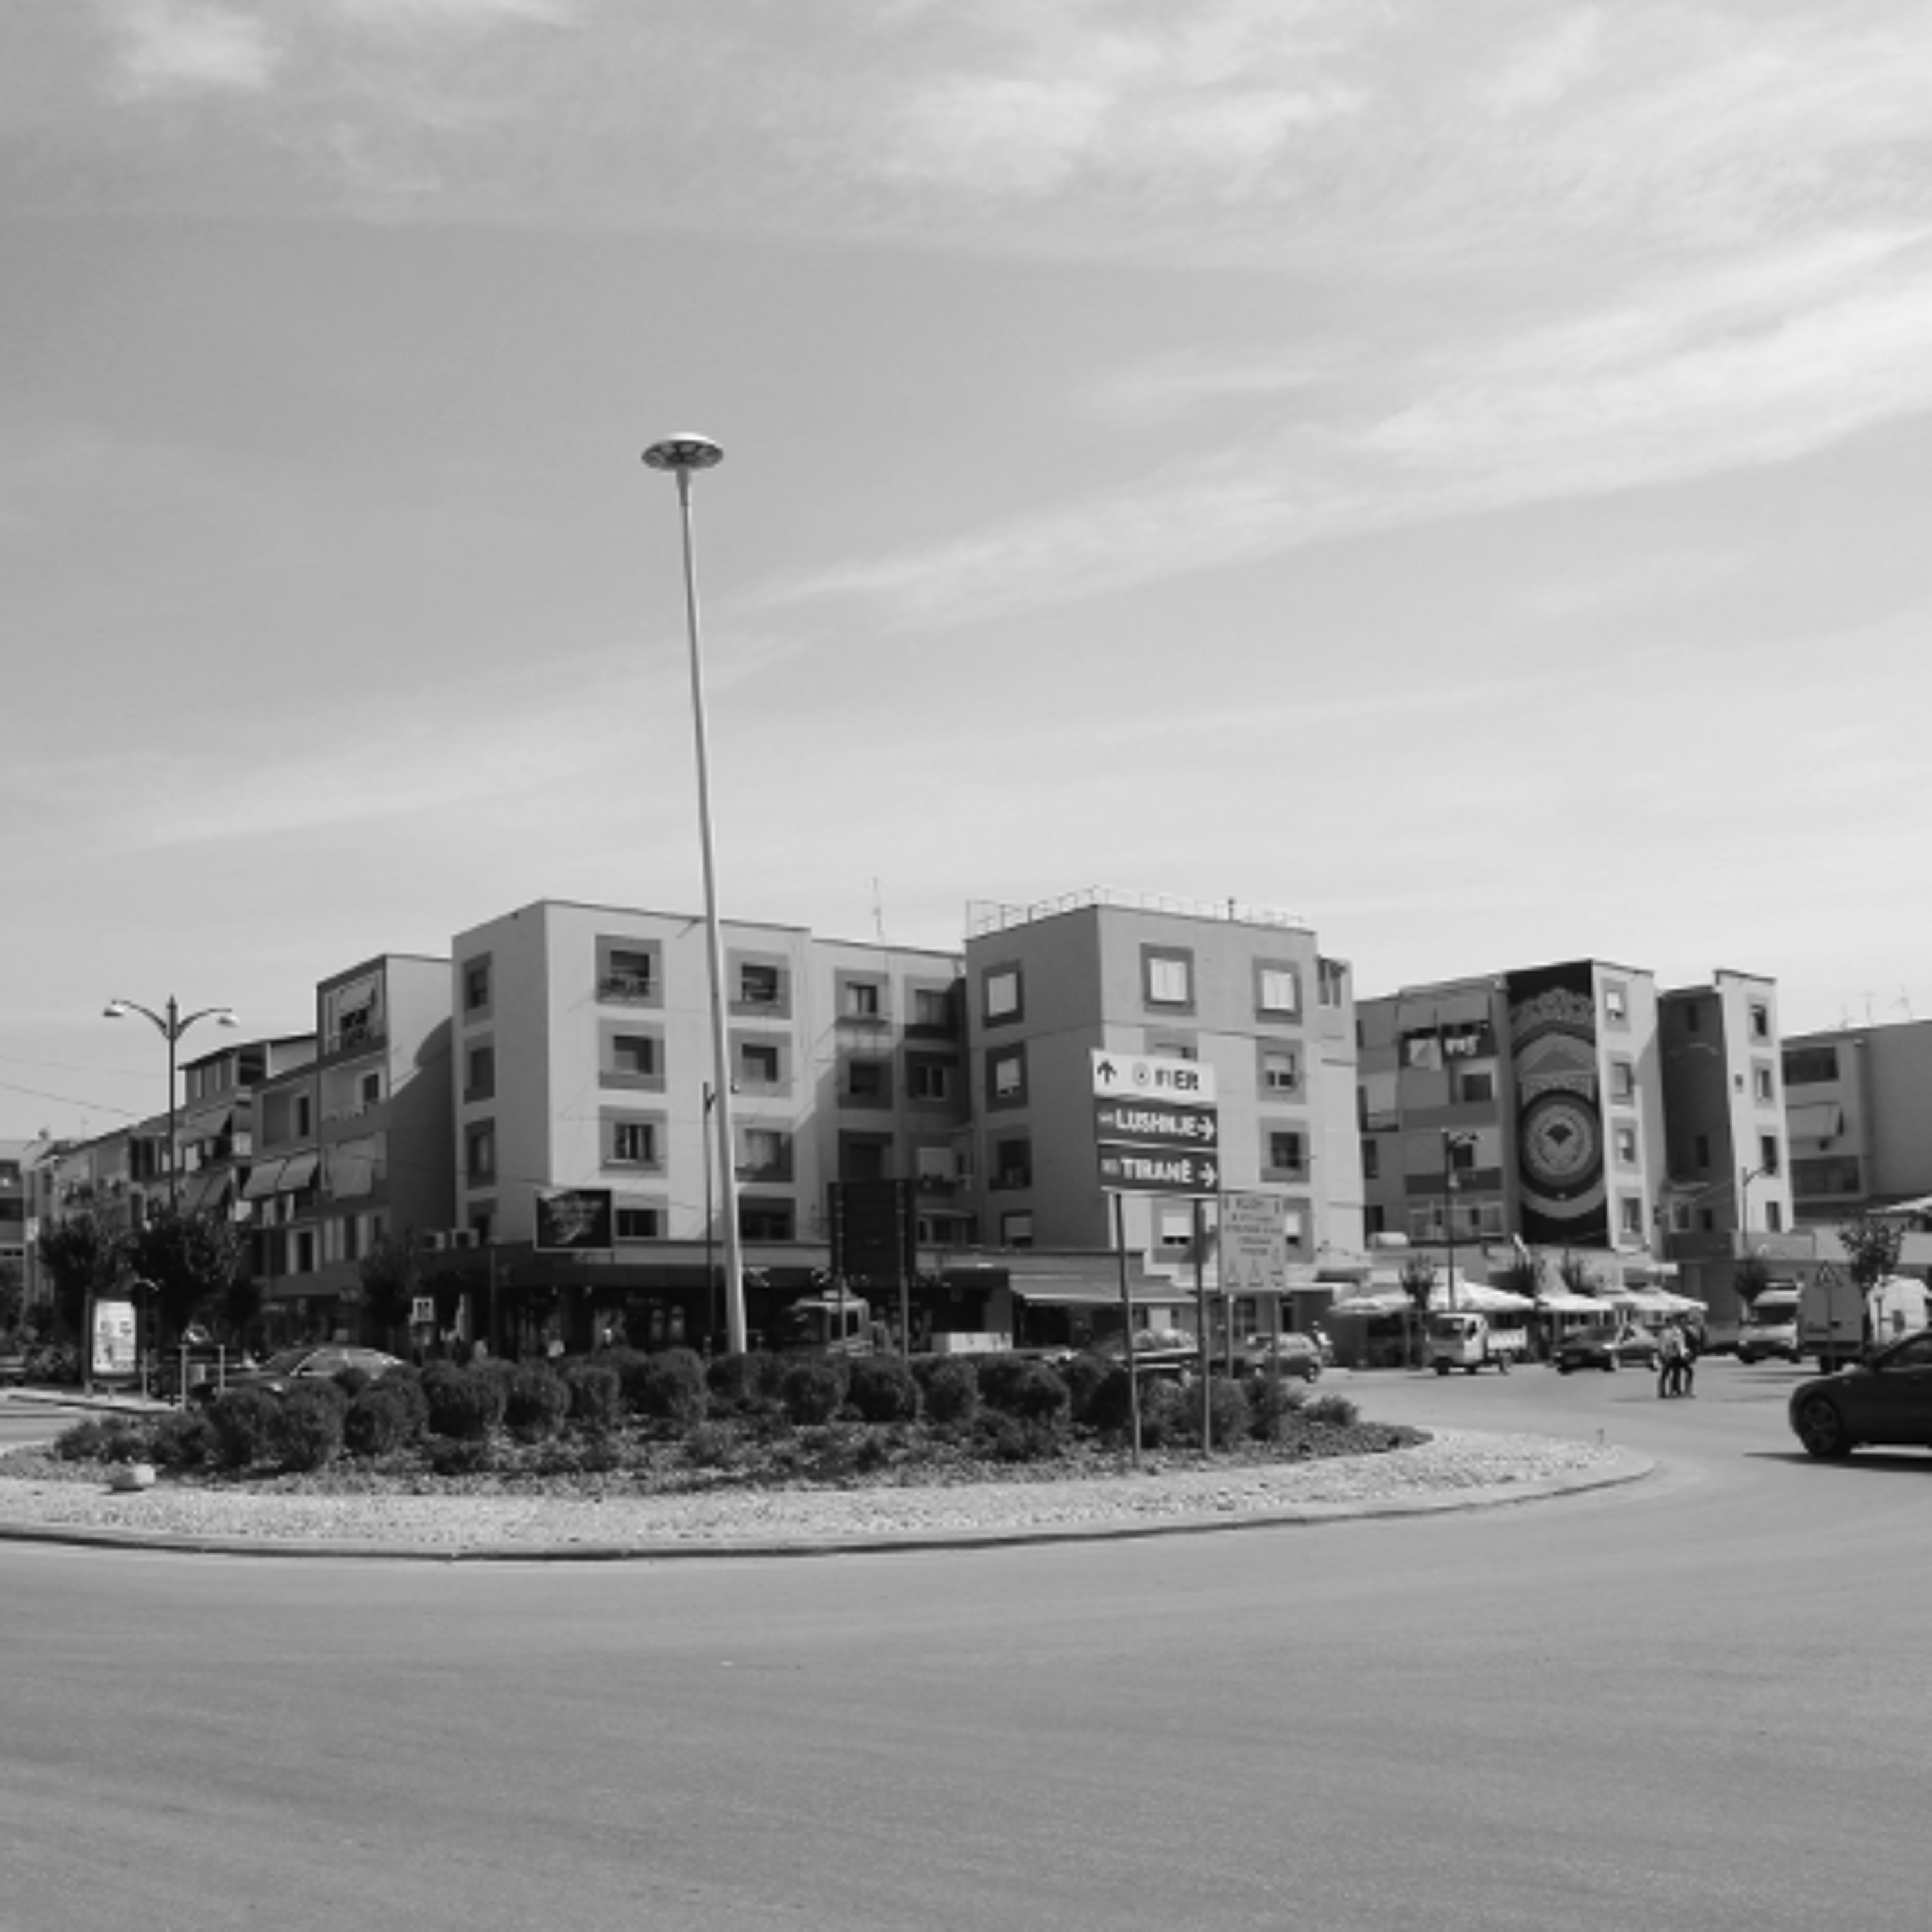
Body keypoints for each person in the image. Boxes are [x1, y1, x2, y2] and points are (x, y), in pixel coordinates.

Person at [1658, 1320, 1688, 1398]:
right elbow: (1664, 1344)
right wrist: (1664, 1354)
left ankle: (1674, 1390)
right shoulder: (1666, 1332)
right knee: (1667, 1373)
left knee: (1674, 1373)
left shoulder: (1671, 1332)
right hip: (1670, 1355)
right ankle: (1665, 1391)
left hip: (1674, 1355)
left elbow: (1676, 1343)